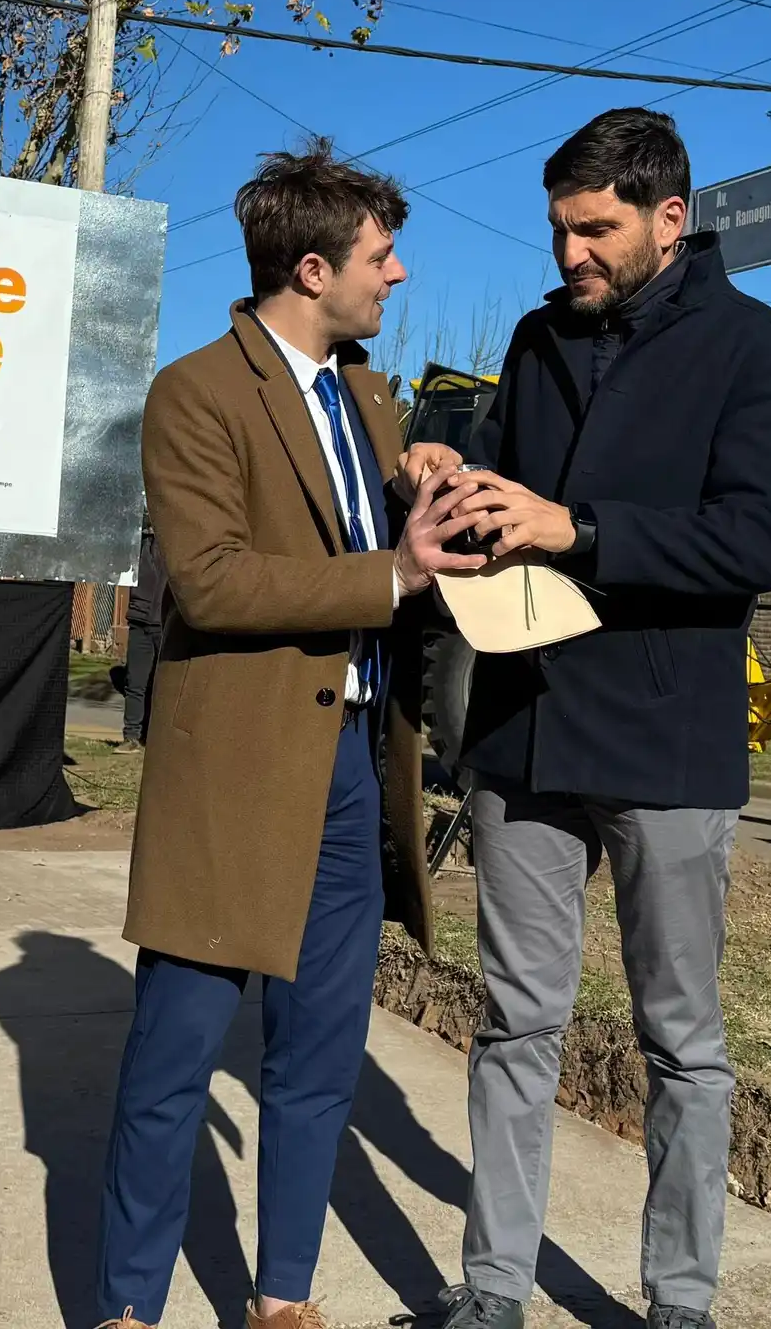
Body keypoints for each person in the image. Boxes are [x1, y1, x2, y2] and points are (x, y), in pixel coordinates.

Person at [400, 108, 771, 1329]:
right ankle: (491, 1292)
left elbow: (753, 544)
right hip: (525, 731)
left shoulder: (766, 351)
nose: (570, 251)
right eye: (560, 228)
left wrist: (572, 528)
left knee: (681, 1038)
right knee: (513, 1022)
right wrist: (447, 471)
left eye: (595, 229)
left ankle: (679, 1300)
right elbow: (498, 482)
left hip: (668, 739)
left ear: (670, 220)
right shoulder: (536, 338)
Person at [95, 138, 488, 1329]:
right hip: (236, 780)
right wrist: (394, 575)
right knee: (172, 1066)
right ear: (311, 268)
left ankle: (284, 1298)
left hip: (356, 776)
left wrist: (420, 478)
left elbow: (360, 523)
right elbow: (211, 584)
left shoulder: (369, 393)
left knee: (317, 1064)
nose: (401, 274)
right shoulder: (197, 391)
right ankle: (127, 1309)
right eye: (381, 255)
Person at [116, 513, 168, 753]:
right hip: (139, 621)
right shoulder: (136, 546)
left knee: (163, 685)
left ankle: (158, 739)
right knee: (135, 683)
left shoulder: (173, 547)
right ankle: (131, 738)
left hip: (163, 623)